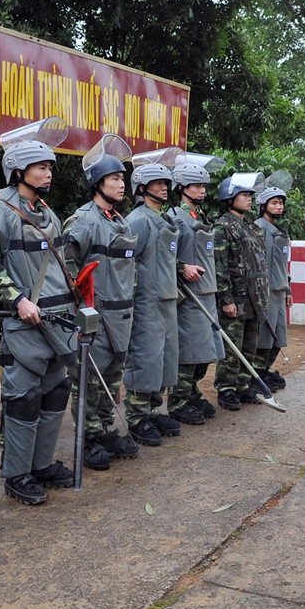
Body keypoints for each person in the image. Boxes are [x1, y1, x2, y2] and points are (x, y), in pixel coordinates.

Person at [0, 117, 75, 505]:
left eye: (50, 166)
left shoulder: (48, 214)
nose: (48, 172)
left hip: (55, 322)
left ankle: (42, 464)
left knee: (55, 394)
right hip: (22, 326)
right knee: (24, 399)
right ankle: (17, 474)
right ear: (19, 171)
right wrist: (17, 300)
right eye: (41, 167)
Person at [62, 134, 140, 469]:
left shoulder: (118, 220)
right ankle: (87, 437)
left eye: (123, 178)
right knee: (88, 381)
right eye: (114, 179)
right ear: (97, 183)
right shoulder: (82, 221)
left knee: (111, 377)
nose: (122, 184)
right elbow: (65, 266)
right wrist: (79, 309)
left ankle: (104, 428)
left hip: (122, 315)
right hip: (95, 315)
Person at [123, 151, 182, 445]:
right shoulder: (137, 221)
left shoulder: (164, 218)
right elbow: (125, 265)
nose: (164, 187)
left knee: (164, 359)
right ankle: (136, 417)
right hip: (146, 301)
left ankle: (153, 409)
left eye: (166, 182)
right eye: (157, 183)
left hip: (168, 299)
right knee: (145, 358)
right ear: (142, 187)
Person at [167, 156, 224, 424]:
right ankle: (178, 401)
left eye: (203, 185)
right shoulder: (174, 218)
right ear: (181, 187)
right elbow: (161, 256)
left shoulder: (199, 216)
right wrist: (181, 267)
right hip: (189, 297)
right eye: (195, 185)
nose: (202, 190)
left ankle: (192, 394)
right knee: (189, 352)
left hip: (208, 292)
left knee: (206, 352)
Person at [213, 173, 270, 410]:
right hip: (235, 297)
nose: (249, 199)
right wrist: (226, 299)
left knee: (249, 344)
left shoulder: (250, 226)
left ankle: (243, 384)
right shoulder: (223, 226)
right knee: (232, 347)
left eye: (250, 195)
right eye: (244, 195)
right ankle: (226, 389)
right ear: (230, 197)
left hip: (253, 297)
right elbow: (220, 265)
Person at [254, 181, 292, 392]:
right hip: (266, 291)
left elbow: (282, 264)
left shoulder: (279, 230)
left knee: (278, 336)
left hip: (279, 290)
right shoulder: (260, 229)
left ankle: (265, 369)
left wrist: (288, 289)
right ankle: (256, 373)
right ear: (263, 205)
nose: (279, 207)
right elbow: (262, 264)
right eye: (274, 203)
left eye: (281, 203)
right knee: (265, 335)